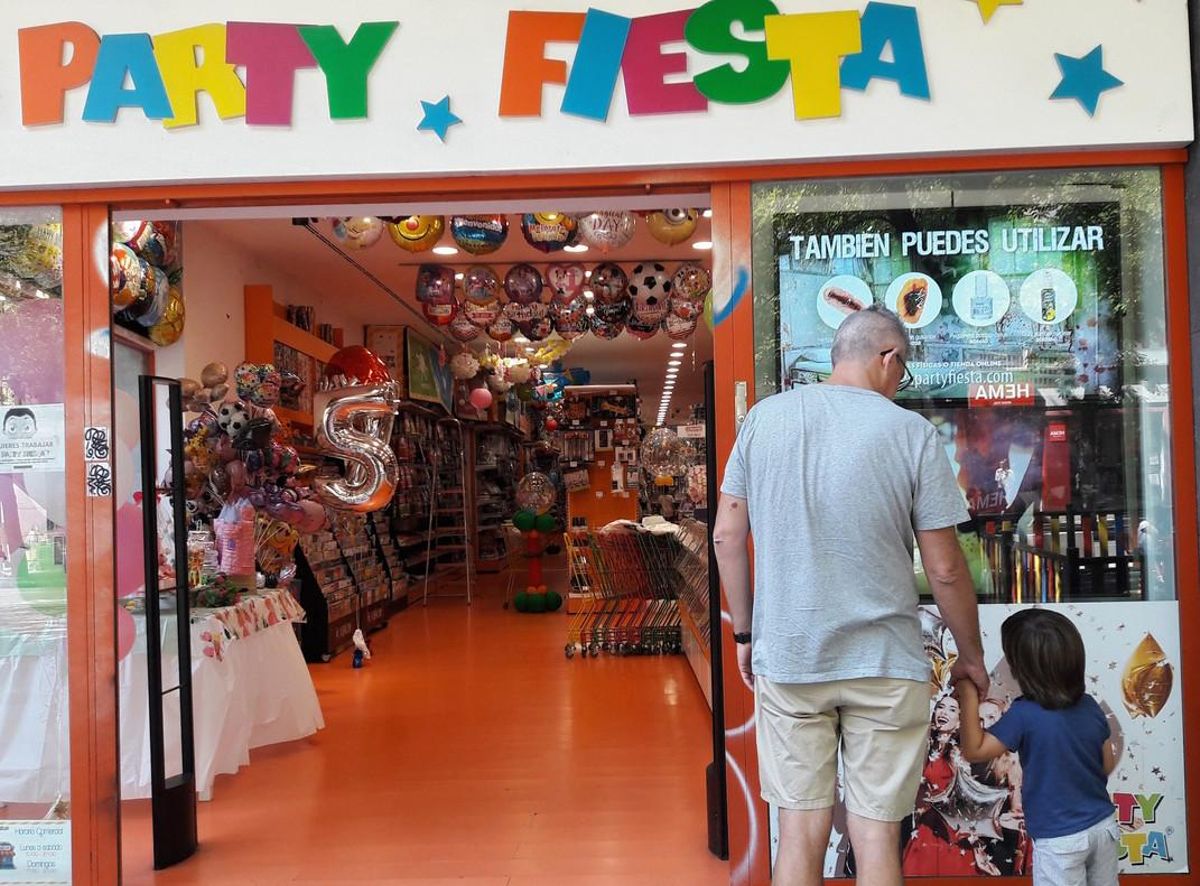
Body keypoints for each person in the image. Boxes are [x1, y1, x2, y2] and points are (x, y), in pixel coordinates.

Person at [714, 305, 987, 886]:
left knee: (801, 830)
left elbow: (726, 534)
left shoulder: (764, 420)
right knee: (875, 835)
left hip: (790, 657)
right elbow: (943, 567)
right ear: (888, 358)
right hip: (885, 664)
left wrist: (746, 631)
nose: (900, 380)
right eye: (903, 369)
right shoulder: (910, 432)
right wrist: (972, 655)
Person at [957, 609, 1120, 886]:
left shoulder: (1024, 714)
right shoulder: (1089, 705)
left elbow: (974, 750)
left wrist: (967, 692)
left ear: (1021, 670)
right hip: (1103, 828)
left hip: (1060, 841)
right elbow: (1104, 765)